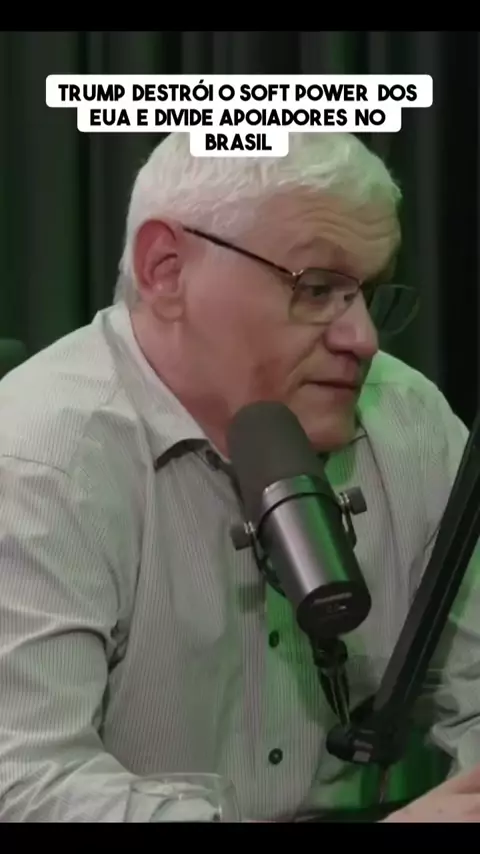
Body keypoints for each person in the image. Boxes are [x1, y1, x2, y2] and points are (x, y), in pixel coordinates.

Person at [0, 131, 479, 823]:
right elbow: (25, 787)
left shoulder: (411, 420)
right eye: (317, 288)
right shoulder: (37, 461)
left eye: (368, 294)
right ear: (166, 270)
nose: (364, 338)